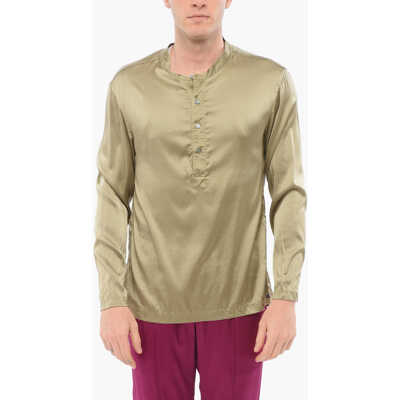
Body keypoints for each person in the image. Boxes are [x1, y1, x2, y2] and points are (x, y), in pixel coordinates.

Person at [93, 0, 307, 398]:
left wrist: (286, 295)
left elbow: (288, 194)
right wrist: (111, 299)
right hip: (150, 308)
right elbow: (112, 195)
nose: (197, 1)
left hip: (240, 306)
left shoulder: (269, 82)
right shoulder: (129, 86)